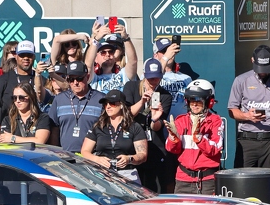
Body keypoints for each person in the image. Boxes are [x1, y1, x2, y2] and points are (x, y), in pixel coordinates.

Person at [228, 45, 270, 169]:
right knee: (244, 182)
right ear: (252, 61)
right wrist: (246, 116)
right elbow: (232, 110)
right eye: (260, 68)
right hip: (247, 140)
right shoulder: (241, 80)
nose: (263, 72)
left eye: (266, 68)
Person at [164, 80, 224, 195]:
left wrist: (199, 138)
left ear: (209, 102)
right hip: (183, 180)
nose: (194, 104)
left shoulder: (216, 121)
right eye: (191, 100)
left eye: (198, 100)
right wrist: (173, 138)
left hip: (207, 181)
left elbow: (215, 149)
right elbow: (172, 150)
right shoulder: (180, 121)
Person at [124, 58, 173, 192]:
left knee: (155, 188)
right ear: (144, 75)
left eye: (156, 78)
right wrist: (142, 102)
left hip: (154, 145)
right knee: (134, 188)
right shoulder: (131, 87)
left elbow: (157, 127)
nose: (153, 82)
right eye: (150, 78)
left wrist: (155, 119)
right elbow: (126, 115)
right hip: (132, 144)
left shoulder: (165, 95)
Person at [81, 89, 147, 184]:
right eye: (105, 104)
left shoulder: (134, 127)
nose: (107, 107)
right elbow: (84, 151)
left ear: (121, 105)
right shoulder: (99, 126)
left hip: (127, 173)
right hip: (101, 172)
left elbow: (143, 155)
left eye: (111, 103)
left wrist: (129, 159)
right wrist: (97, 159)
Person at [49, 61, 104, 152]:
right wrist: (56, 152)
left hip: (92, 156)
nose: (75, 83)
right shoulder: (59, 99)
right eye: (71, 79)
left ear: (87, 77)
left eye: (79, 78)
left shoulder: (101, 99)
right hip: (65, 156)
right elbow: (54, 128)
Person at [85, 23, 139, 94]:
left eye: (111, 52)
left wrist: (125, 38)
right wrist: (96, 39)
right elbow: (88, 65)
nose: (107, 55)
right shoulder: (93, 78)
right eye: (103, 52)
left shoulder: (122, 74)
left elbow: (133, 61)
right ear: (95, 58)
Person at [0, 40, 36, 119]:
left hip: (36, 128)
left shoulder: (41, 80)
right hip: (8, 129)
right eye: (22, 55)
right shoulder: (3, 80)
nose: (26, 58)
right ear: (16, 56)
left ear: (34, 57)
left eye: (29, 55)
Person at [152, 38, 192, 119]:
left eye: (170, 50)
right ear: (155, 55)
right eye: (164, 51)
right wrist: (166, 57)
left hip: (180, 127)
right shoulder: (149, 77)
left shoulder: (186, 78)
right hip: (158, 124)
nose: (169, 54)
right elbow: (153, 84)